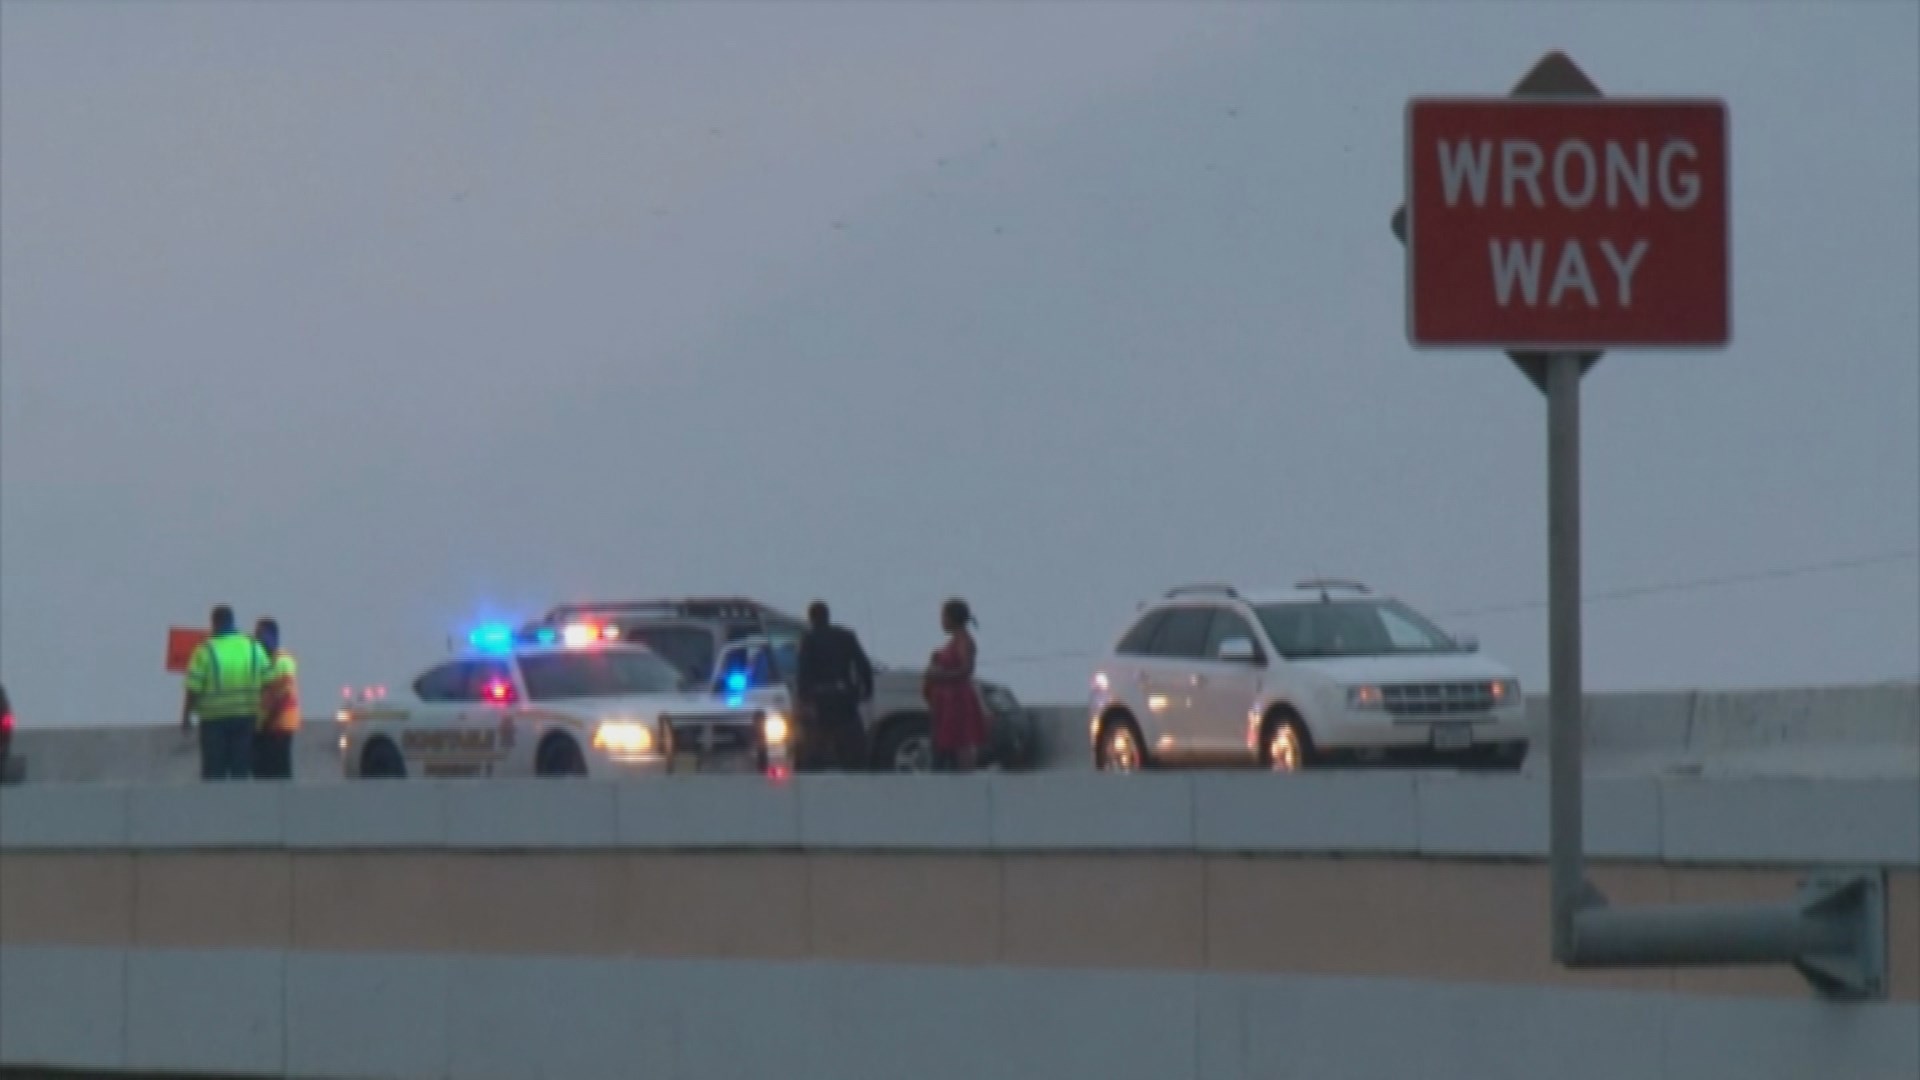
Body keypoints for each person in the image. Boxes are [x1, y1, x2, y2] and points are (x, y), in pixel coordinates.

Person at [180, 604, 270, 781]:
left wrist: (186, 715)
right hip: (246, 716)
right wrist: (264, 715)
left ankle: (215, 807)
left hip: (213, 720)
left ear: (213, 623)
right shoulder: (252, 647)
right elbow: (268, 682)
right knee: (241, 770)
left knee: (214, 773)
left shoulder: (205, 651)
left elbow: (193, 688)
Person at [793, 601, 874, 771]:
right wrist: (865, 690)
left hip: (820, 700)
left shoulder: (809, 640)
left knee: (815, 747)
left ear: (811, 618)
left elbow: (804, 672)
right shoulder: (846, 636)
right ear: (828, 616)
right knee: (853, 747)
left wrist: (803, 699)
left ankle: (816, 773)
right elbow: (863, 665)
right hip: (844, 698)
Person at [923, 598, 988, 773]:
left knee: (960, 740)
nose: (941, 621)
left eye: (943, 616)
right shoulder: (953, 642)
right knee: (945, 742)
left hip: (957, 699)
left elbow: (966, 669)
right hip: (946, 699)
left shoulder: (964, 641)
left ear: (952, 618)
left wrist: (940, 675)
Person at [252, 617, 299, 780]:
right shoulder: (265, 662)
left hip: (279, 725)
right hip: (266, 726)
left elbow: (281, 694)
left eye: (259, 633)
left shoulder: (282, 661)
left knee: (278, 771)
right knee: (263, 772)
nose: (256, 638)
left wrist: (266, 721)